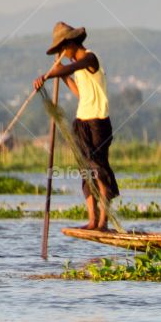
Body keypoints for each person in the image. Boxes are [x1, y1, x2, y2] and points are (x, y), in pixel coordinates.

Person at [34, 21, 119, 231]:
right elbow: (82, 95)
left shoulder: (90, 58)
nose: (63, 53)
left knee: (98, 169)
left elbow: (74, 66)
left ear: (72, 43)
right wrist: (62, 77)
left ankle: (103, 222)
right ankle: (92, 219)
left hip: (98, 122)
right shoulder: (77, 68)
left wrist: (54, 72)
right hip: (81, 121)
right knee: (85, 172)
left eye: (64, 48)